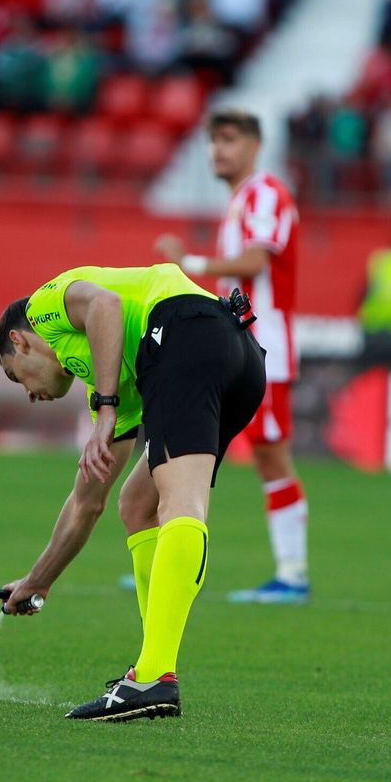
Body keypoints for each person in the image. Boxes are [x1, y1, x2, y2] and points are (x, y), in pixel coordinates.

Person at [0, 264, 266, 721]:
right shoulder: (111, 371)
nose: (28, 393)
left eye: (15, 375)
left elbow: (106, 304)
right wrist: (38, 580)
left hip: (186, 331)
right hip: (237, 355)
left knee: (181, 501)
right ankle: (153, 668)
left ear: (19, 343)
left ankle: (153, 677)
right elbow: (87, 502)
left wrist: (103, 409)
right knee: (138, 505)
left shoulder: (43, 308)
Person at [155, 107, 310, 604]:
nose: (219, 149)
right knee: (216, 451)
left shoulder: (265, 193)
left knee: (270, 453)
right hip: (243, 344)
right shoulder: (242, 199)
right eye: (214, 140)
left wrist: (189, 262)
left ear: (254, 146)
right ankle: (172, 558)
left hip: (268, 345)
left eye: (230, 139)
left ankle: (293, 573)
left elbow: (255, 262)